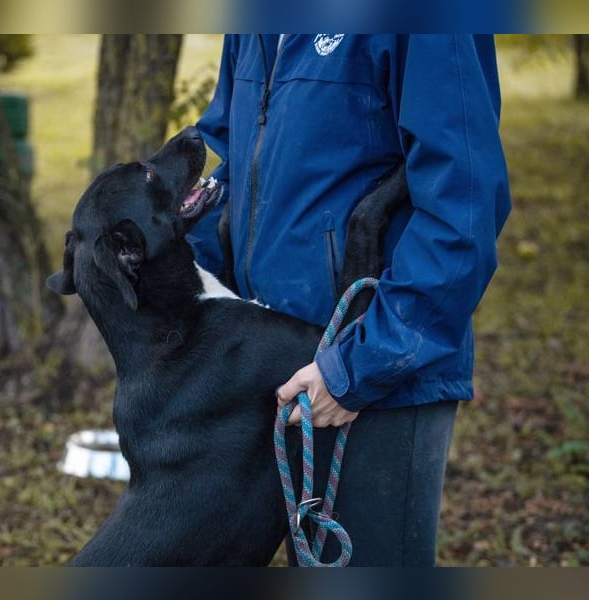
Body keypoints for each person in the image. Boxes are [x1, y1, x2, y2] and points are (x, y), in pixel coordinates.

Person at [189, 34, 511, 566]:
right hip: (279, 361)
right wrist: (174, 271)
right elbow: (232, 154)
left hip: (373, 369)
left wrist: (356, 369)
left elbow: (464, 203)